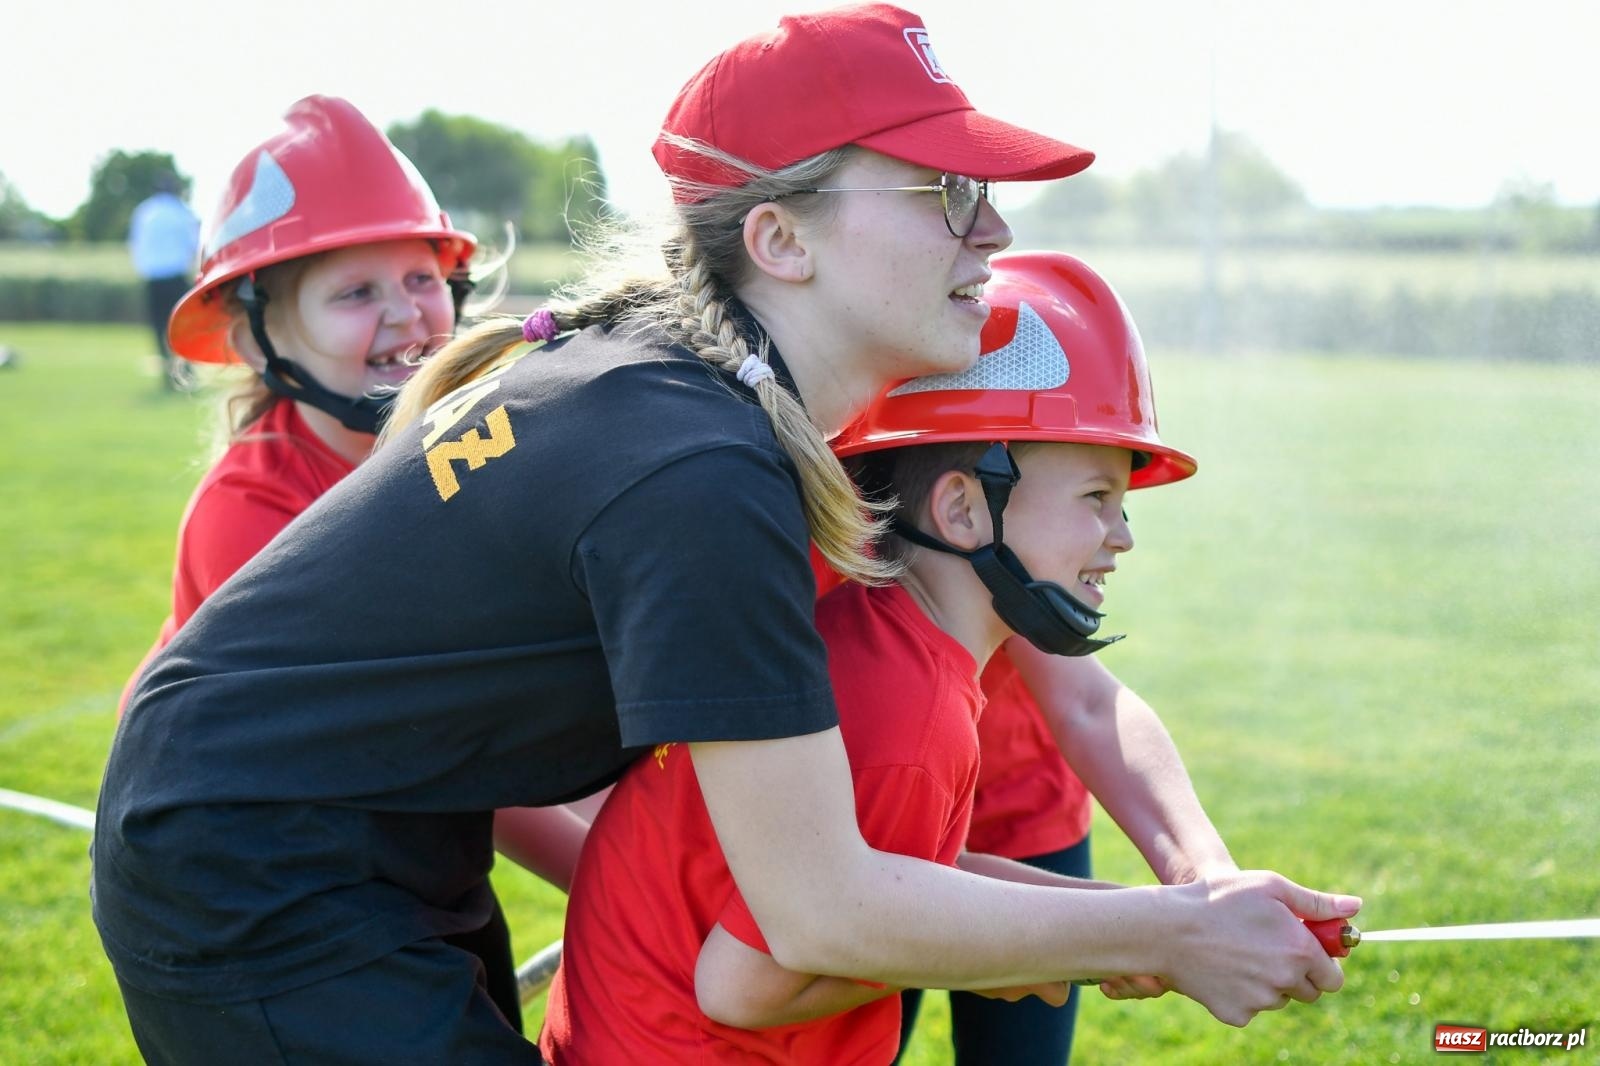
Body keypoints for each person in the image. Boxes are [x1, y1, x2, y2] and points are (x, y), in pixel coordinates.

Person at [93, 6, 1358, 1063]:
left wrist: (1153, 908)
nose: (994, 234)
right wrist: (1161, 931)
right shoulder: (697, 466)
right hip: (254, 868)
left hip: (357, 840)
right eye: (943, 193)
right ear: (778, 239)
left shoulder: (699, 411)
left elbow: (800, 877)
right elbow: (814, 911)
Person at [540, 250, 1198, 1063]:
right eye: (1098, 499)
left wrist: (1116, 921)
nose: (1123, 536)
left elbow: (911, 869)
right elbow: (740, 986)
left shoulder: (889, 644)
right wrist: (1041, 945)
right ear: (963, 507)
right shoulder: (906, 714)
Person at [112, 94, 585, 1032]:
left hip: (411, 844)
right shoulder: (250, 514)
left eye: (420, 278)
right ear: (257, 336)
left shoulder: (468, 450)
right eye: (354, 292)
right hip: (263, 898)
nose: (409, 316)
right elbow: (462, 741)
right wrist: (620, 878)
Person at [127, 171, 200, 390]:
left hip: (154, 278)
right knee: (182, 327)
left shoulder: (144, 212)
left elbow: (136, 244)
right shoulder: (182, 211)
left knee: (159, 327)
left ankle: (168, 375)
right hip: (177, 276)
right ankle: (185, 372)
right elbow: (193, 244)